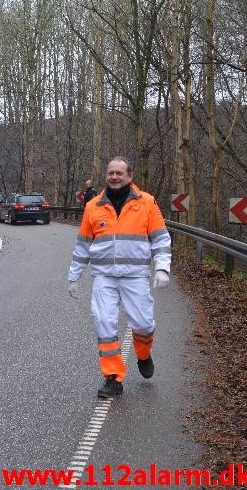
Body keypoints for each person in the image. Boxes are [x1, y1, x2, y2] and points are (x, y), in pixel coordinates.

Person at [67, 156, 171, 398]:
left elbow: (161, 239)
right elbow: (82, 246)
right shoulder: (93, 206)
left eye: (119, 173)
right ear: (106, 176)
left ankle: (143, 355)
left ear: (129, 176)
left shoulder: (146, 203)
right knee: (104, 323)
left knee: (143, 325)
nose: (114, 177)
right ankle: (113, 378)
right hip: (104, 277)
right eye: (110, 173)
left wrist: (162, 267)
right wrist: (74, 276)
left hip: (135, 277)